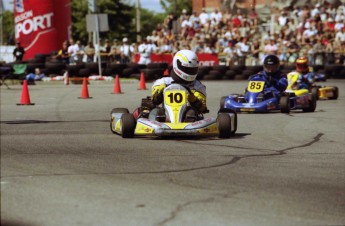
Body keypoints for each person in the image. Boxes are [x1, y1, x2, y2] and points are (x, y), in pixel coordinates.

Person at [135, 50, 207, 122]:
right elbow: (154, 101)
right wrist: (160, 94)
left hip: (187, 116)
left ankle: (187, 122)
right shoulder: (163, 82)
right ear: (177, 65)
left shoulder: (198, 86)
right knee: (156, 112)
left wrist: (193, 99)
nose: (190, 72)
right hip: (165, 114)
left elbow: (202, 108)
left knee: (191, 113)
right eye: (186, 69)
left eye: (192, 70)